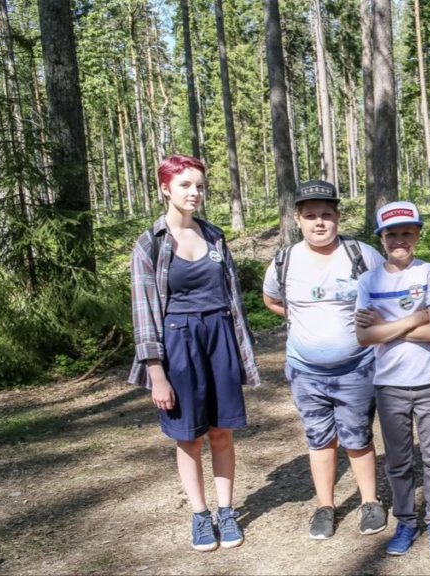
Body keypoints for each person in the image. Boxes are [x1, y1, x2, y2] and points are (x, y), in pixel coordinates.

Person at [129, 154, 260, 551]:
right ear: (165, 188)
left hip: (218, 336)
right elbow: (144, 311)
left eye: (200, 185)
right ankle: (200, 516)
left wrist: (241, 353)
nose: (194, 192)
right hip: (177, 343)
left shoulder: (215, 236)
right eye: (185, 185)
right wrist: (156, 372)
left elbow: (233, 300)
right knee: (189, 438)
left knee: (221, 432)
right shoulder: (150, 243)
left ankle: (225, 510)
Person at [261, 180, 387, 540]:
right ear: (297, 219)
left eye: (327, 215)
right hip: (304, 372)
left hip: (357, 368)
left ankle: (369, 501)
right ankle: (325, 506)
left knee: (358, 437)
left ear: (338, 217)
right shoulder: (284, 261)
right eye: (311, 215)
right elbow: (271, 299)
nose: (320, 222)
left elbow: (386, 296)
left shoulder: (361, 254)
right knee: (319, 438)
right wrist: (301, 320)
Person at [354, 201, 430, 556]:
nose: (399, 240)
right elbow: (364, 338)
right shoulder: (368, 280)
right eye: (391, 233)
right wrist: (412, 320)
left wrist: (386, 328)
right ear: (381, 238)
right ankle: (407, 521)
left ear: (418, 235)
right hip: (389, 385)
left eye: (406, 233)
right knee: (398, 460)